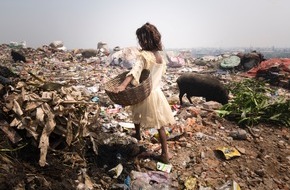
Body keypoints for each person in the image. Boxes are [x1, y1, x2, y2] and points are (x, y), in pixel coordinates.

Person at [114, 22, 175, 164]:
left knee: (137, 114)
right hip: (156, 93)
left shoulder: (144, 55)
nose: (139, 42)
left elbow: (135, 71)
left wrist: (123, 85)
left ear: (145, 39)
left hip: (145, 93)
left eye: (140, 39)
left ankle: (141, 139)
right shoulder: (160, 56)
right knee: (159, 124)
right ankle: (163, 152)